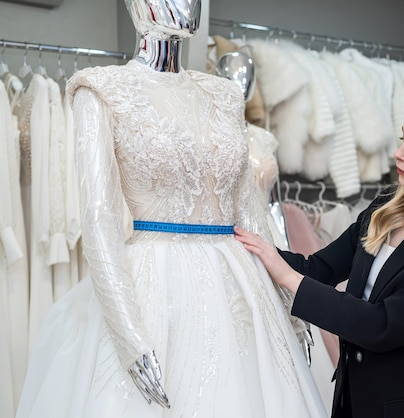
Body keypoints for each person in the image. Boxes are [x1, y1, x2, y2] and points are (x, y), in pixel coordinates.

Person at [15, 1, 327, 417]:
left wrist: (289, 306)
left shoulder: (224, 94)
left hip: (238, 282)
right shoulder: (101, 89)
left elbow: (249, 212)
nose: (187, 3)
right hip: (153, 284)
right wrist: (129, 337)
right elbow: (99, 220)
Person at [235, 89, 404, 418]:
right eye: (403, 140)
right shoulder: (384, 210)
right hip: (354, 401)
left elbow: (380, 325)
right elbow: (319, 267)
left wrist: (288, 278)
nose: (399, 153)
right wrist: (251, 250)